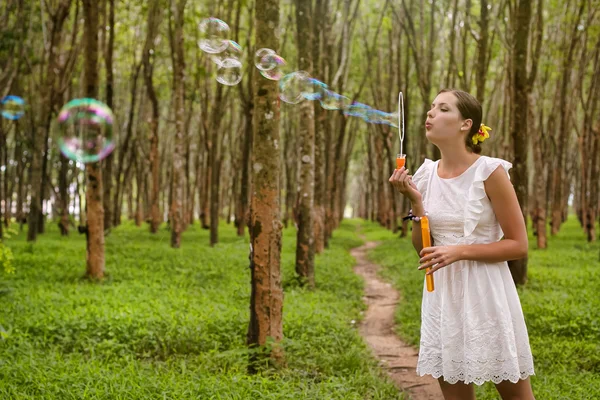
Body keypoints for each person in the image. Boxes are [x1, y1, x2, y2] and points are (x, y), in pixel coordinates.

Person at [389, 89, 535, 400]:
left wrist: (459, 251)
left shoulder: (490, 172)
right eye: (431, 108)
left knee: (516, 395)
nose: (430, 114)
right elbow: (423, 249)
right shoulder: (426, 174)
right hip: (443, 296)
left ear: (465, 124)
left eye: (442, 109)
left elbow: (518, 245)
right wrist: (416, 204)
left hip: (486, 294)